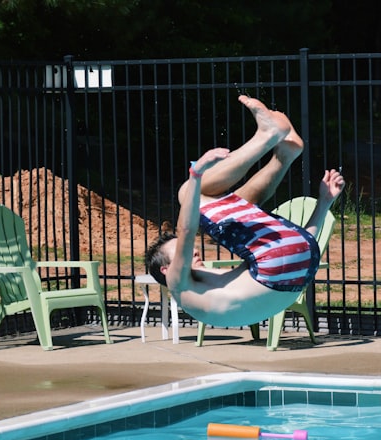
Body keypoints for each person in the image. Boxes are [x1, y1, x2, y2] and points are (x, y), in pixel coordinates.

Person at [145, 95, 345, 328]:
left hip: (301, 266)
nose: (194, 251)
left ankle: (284, 155)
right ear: (166, 269)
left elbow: (294, 250)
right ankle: (267, 137)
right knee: (187, 192)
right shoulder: (178, 285)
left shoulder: (218, 284)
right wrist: (196, 174)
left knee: (237, 211)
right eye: (182, 252)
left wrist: (324, 202)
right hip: (280, 271)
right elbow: (186, 231)